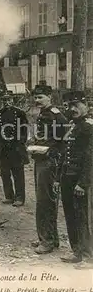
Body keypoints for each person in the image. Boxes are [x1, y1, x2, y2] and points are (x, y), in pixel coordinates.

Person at [28, 84, 68, 254]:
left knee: (46, 201)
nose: (37, 101)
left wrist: (52, 150)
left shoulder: (56, 115)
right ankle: (49, 238)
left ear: (50, 97)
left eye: (41, 97)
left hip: (49, 162)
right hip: (40, 159)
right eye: (36, 97)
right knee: (42, 200)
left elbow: (65, 136)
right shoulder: (44, 113)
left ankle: (48, 241)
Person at [56, 90, 93, 263]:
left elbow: (90, 157)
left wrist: (83, 183)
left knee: (83, 217)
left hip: (80, 180)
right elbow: (64, 154)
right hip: (67, 178)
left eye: (77, 105)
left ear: (86, 105)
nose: (73, 109)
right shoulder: (72, 125)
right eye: (70, 106)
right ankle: (77, 251)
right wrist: (57, 178)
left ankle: (87, 255)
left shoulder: (88, 127)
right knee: (71, 215)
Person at [0, 90, 29, 207]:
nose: (6, 102)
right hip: (3, 148)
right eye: (4, 100)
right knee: (5, 173)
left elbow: (24, 130)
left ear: (12, 100)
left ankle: (20, 198)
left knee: (18, 174)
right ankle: (9, 196)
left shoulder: (20, 113)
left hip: (16, 148)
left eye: (8, 99)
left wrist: (20, 143)